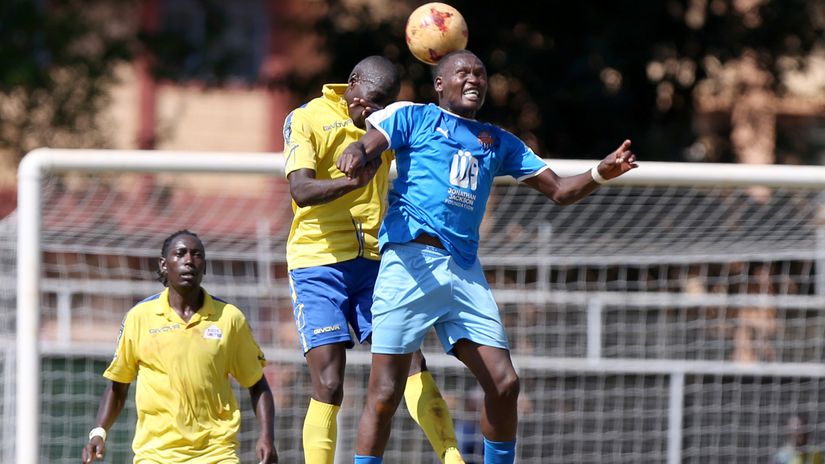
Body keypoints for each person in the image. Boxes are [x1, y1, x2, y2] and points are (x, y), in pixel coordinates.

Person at [337, 49, 638, 464]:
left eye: (480, 73)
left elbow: (560, 191)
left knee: (504, 382)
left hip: (463, 273)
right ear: (439, 83)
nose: (474, 79)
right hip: (409, 265)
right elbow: (372, 141)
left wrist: (601, 172)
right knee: (385, 393)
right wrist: (357, 152)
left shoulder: (498, 142)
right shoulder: (414, 116)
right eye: (463, 72)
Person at [282, 55, 465, 464]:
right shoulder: (306, 118)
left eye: (382, 105)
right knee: (329, 383)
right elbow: (301, 190)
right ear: (352, 82)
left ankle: (454, 458)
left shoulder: (385, 126)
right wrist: (350, 183)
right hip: (317, 262)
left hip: (376, 262)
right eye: (368, 100)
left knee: (411, 364)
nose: (372, 111)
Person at [81, 230, 278, 464]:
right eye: (181, 253)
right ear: (164, 265)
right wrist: (99, 431)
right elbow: (118, 386)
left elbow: (257, 384)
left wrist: (266, 437)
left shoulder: (229, 318)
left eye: (196, 255)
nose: (188, 260)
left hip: (217, 453)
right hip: (156, 455)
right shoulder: (140, 317)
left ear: (204, 266)